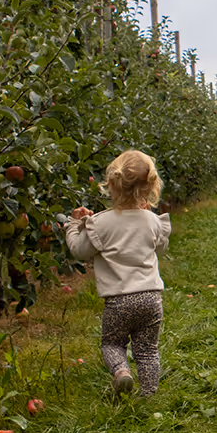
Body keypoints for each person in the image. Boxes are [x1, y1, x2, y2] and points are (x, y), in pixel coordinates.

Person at [65, 150, 171, 397]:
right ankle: (149, 395)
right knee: (147, 350)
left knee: (112, 343)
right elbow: (162, 247)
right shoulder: (152, 221)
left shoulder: (100, 223)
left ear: (111, 184)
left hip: (119, 301)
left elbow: (78, 251)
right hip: (151, 299)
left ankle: (122, 372)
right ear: (150, 187)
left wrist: (74, 225)